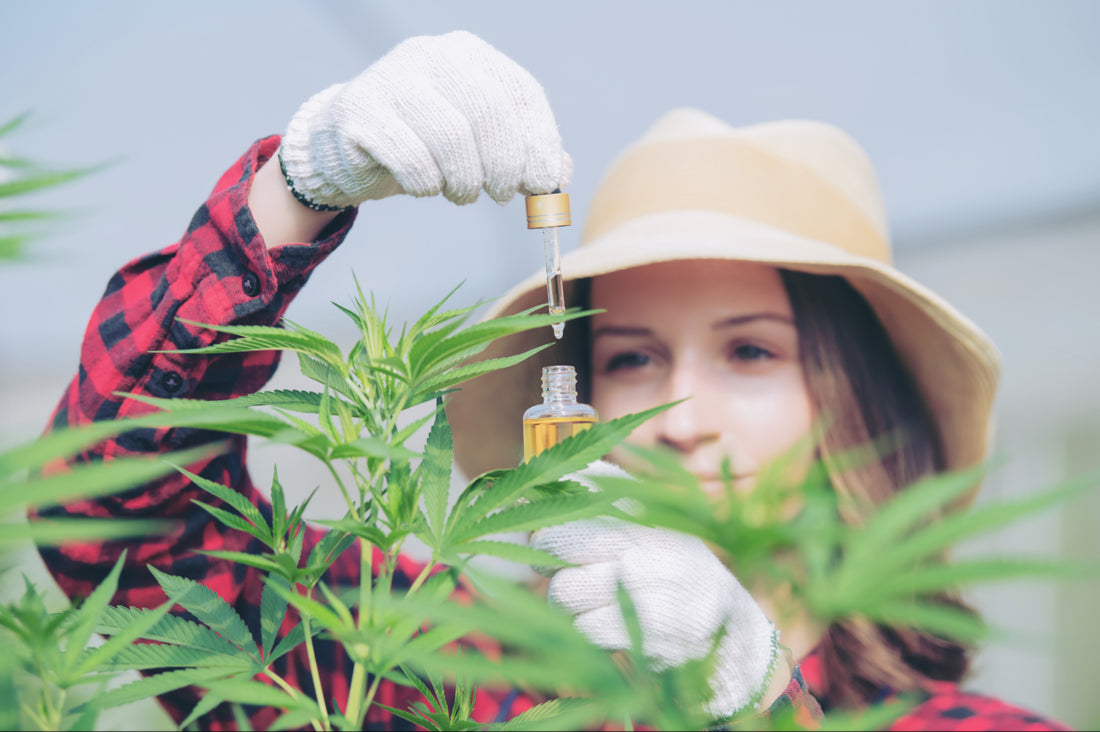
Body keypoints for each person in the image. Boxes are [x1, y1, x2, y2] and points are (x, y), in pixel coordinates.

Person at [32, 30, 1069, 731]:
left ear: (856, 409)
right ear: (577, 407)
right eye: (631, 359)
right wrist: (298, 184)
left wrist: (759, 703)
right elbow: (117, 527)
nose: (680, 418)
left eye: (749, 352)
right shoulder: (450, 671)